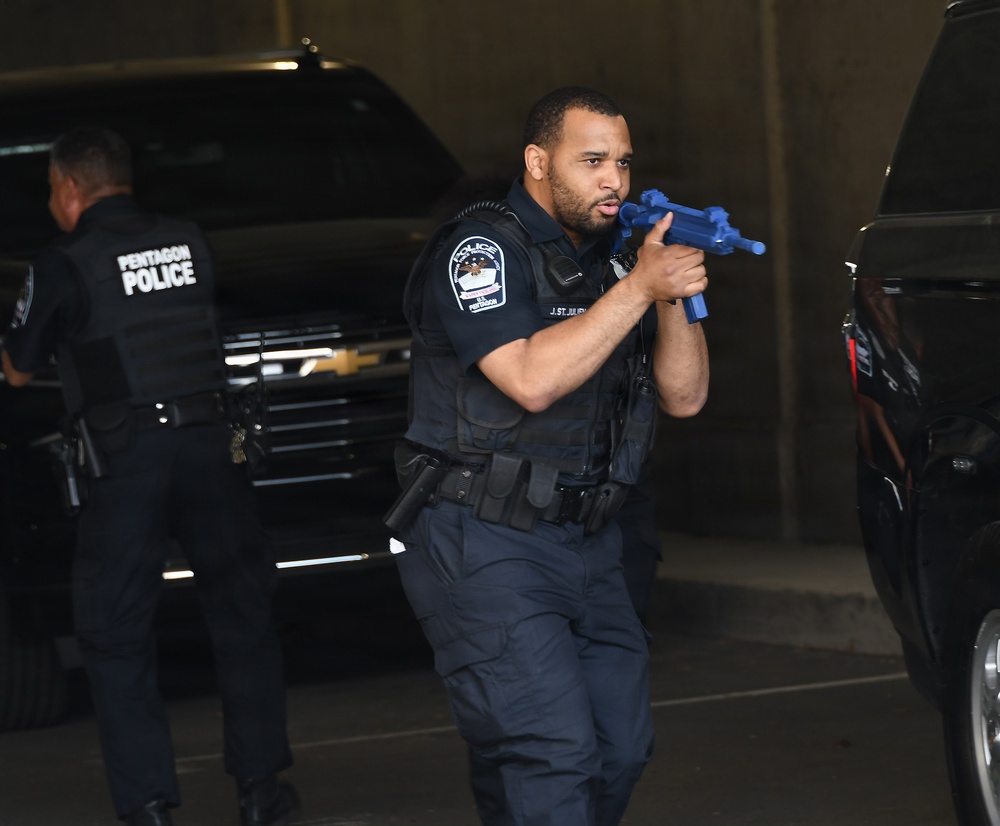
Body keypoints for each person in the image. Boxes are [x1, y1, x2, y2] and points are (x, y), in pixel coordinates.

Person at [388, 87, 709, 824]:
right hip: (485, 536)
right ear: (538, 162)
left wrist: (673, 297)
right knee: (552, 751)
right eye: (592, 161)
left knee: (620, 747)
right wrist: (638, 289)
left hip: (591, 538)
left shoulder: (618, 260)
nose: (614, 182)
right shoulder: (479, 249)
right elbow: (529, 379)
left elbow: (685, 397)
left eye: (623, 164)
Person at [1, 127, 299, 826]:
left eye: (50, 188)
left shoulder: (66, 260)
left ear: (70, 188)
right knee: (243, 616)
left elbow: (17, 367)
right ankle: (260, 792)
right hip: (209, 445)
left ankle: (147, 806)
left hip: (127, 456)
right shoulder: (189, 240)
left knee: (114, 632)